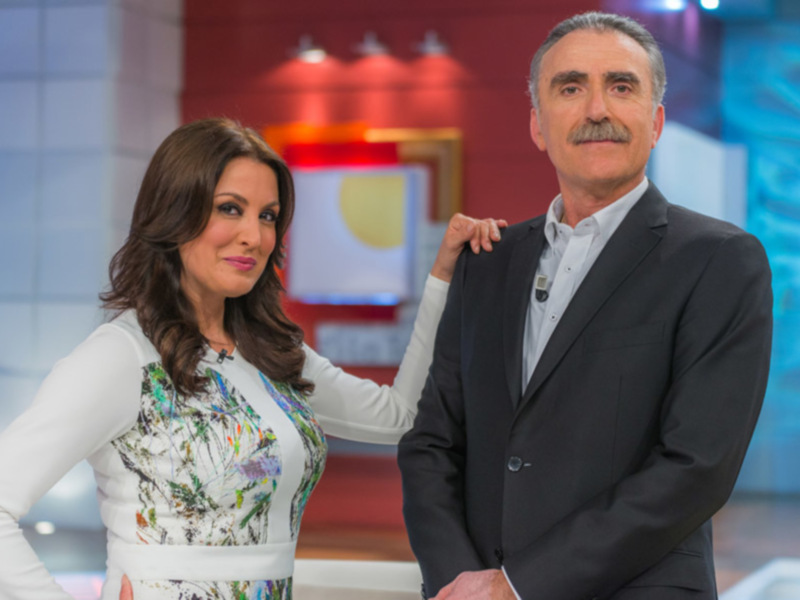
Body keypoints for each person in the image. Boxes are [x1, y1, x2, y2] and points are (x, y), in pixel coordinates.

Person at [0, 117, 506, 600]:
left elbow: (401, 416)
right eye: (229, 208)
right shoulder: (121, 357)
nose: (255, 236)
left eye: (267, 216)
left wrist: (442, 278)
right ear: (175, 212)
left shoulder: (271, 353)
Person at [398, 11, 772, 600]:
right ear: (537, 126)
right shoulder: (486, 262)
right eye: (570, 87)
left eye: (621, 86)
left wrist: (518, 587)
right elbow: (432, 443)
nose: (597, 108)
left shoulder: (719, 260)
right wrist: (457, 581)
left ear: (655, 123)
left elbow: (696, 467)